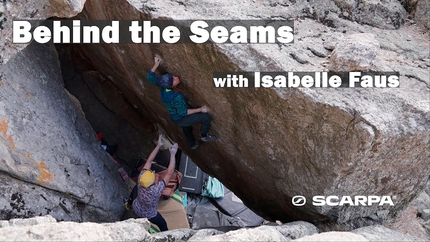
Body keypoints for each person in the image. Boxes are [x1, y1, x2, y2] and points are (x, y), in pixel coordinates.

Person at [146, 56, 217, 149]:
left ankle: (192, 145)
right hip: (180, 117)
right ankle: (204, 136)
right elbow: (183, 112)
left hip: (175, 116)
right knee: (205, 117)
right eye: (174, 80)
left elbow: (149, 78)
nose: (176, 77)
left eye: (173, 76)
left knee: (187, 128)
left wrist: (156, 64)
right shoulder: (176, 97)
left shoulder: (163, 86)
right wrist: (200, 109)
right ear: (171, 86)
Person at [124, 134, 177, 232]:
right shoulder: (156, 190)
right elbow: (170, 172)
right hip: (150, 214)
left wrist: (158, 146)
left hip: (137, 207)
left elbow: (149, 160)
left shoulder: (141, 180)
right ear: (153, 183)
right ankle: (166, 235)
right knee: (162, 224)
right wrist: (173, 154)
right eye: (152, 174)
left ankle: (129, 203)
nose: (153, 172)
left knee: (135, 187)